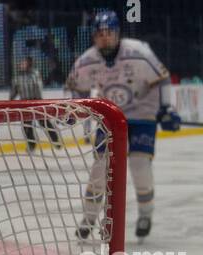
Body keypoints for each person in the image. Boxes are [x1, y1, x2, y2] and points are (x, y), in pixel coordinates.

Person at [65, 9, 180, 239]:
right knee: (100, 166)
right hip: (111, 117)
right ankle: (88, 217)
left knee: (139, 165)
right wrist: (72, 108)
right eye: (99, 33)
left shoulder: (138, 53)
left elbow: (163, 79)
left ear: (118, 33)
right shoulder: (88, 60)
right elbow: (73, 86)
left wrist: (167, 108)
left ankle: (146, 213)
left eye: (109, 32)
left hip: (142, 115)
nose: (104, 37)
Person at [9, 56, 60, 152]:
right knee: (27, 126)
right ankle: (31, 145)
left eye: (24, 62)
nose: (21, 64)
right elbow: (14, 90)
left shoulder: (35, 73)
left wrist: (39, 101)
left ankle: (56, 141)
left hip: (36, 101)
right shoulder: (17, 77)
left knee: (44, 123)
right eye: (21, 63)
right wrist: (10, 100)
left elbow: (38, 87)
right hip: (24, 103)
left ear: (29, 63)